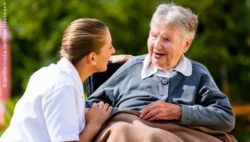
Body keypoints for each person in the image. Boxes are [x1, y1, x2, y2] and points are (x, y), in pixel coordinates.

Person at [88, 3, 236, 142]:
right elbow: (90, 106)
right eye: (154, 36)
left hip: (178, 135)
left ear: (186, 44)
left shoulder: (198, 74)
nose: (157, 45)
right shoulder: (132, 68)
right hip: (131, 132)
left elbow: (226, 118)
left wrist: (179, 112)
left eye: (166, 39)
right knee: (122, 129)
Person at [1, 18, 116, 142]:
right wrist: (94, 124)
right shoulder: (62, 87)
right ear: (92, 57)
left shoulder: (48, 73)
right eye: (109, 47)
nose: (113, 51)